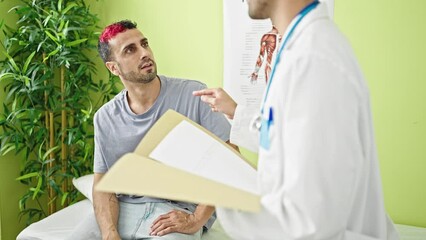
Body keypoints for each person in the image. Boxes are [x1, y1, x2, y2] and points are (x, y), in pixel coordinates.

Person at [193, 0, 400, 239]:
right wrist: (237, 113)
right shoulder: (300, 49)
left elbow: (308, 224)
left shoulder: (313, 60)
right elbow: (287, 137)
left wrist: (221, 197)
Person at [92, 20, 232, 240]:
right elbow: (102, 183)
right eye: (130, 50)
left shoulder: (193, 94)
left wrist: (197, 218)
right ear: (113, 68)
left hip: (177, 211)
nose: (144, 53)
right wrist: (110, 233)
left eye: (144, 44)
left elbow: (230, 158)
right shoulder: (105, 117)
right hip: (123, 209)